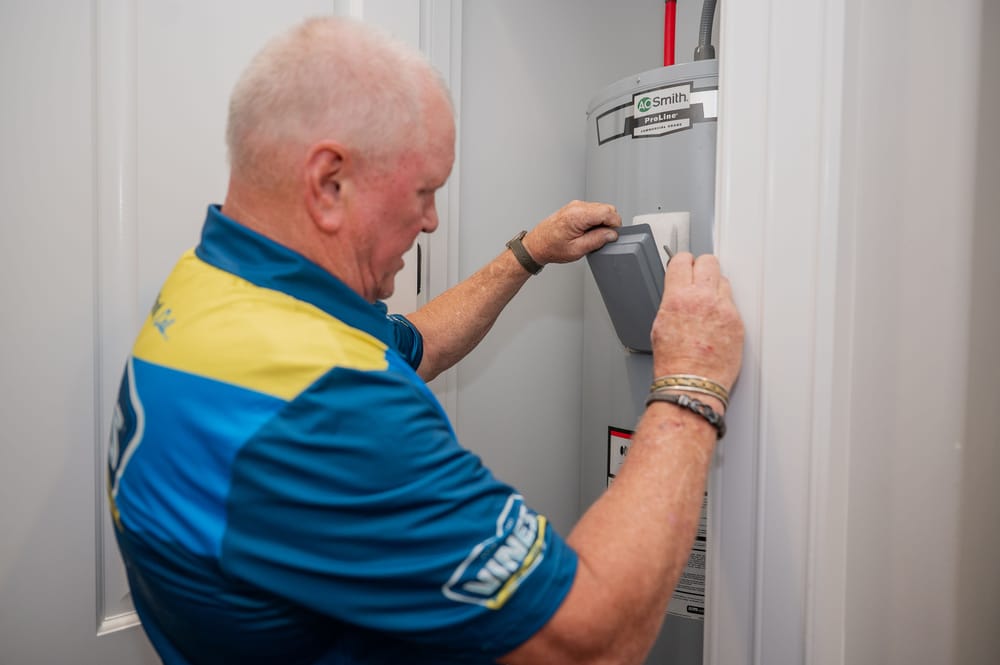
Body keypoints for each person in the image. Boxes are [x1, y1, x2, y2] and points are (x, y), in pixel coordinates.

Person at [107, 16, 744, 665]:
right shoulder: (336, 411)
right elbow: (593, 639)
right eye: (424, 192)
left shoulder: (212, 294)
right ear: (329, 183)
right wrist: (690, 379)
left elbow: (416, 344)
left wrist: (527, 253)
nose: (432, 221)